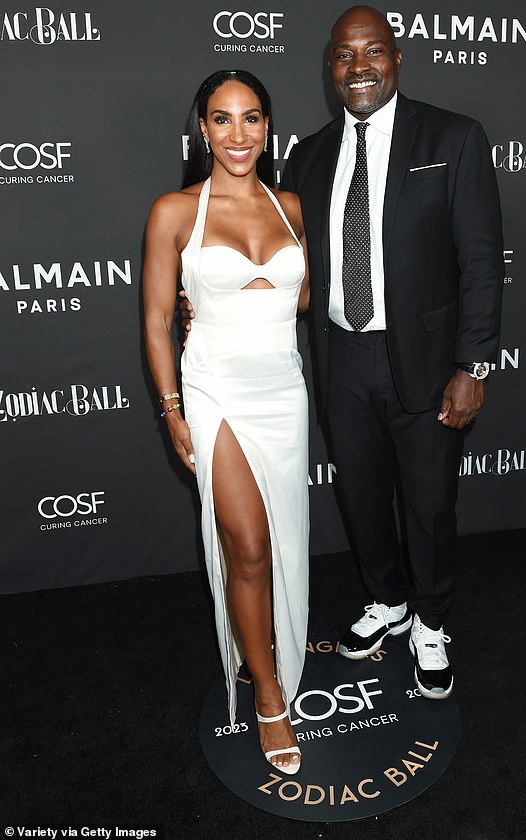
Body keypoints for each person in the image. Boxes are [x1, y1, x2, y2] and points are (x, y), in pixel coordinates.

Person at [183, 6, 503, 699]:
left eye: (372, 52)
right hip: (338, 360)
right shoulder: (311, 154)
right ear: (329, 69)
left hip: (425, 361)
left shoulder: (454, 137)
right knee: (360, 499)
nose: (358, 67)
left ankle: (431, 623)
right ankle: (386, 602)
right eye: (342, 57)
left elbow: (480, 262)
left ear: (397, 58)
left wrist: (473, 366)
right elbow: (293, 265)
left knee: (427, 505)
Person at [144, 70, 310, 775]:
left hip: (283, 391)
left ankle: (264, 648)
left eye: (251, 119)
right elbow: (155, 321)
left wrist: (248, 298)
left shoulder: (293, 206)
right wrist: (172, 409)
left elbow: (301, 303)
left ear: (268, 127)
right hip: (213, 390)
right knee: (246, 544)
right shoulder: (174, 211)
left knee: (280, 543)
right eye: (221, 119)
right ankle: (267, 691)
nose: (237, 134)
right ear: (201, 128)